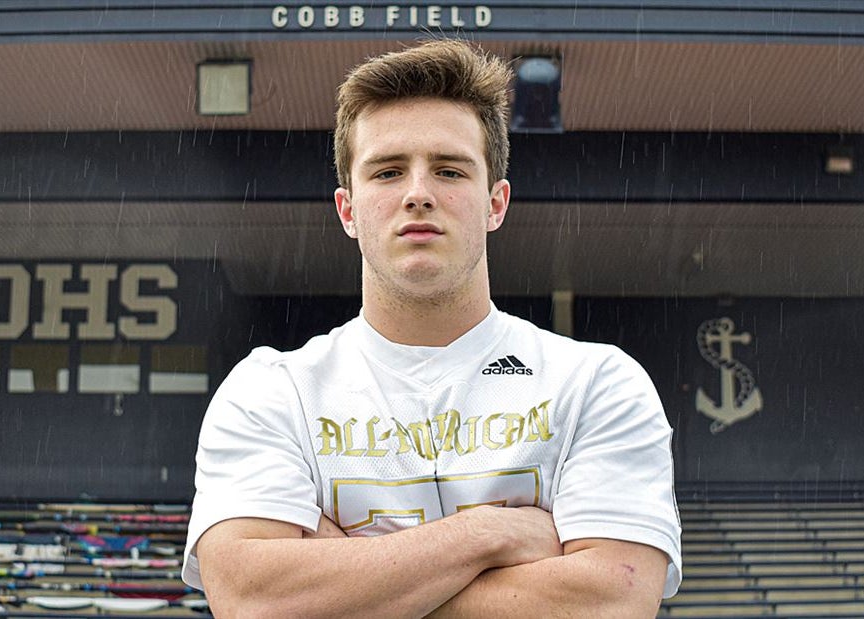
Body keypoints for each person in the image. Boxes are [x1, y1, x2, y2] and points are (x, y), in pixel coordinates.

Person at [183, 39, 681, 617]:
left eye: (449, 170)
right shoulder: (272, 389)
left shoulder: (596, 382)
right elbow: (252, 600)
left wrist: (349, 585)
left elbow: (612, 602)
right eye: (388, 172)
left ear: (495, 203)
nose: (418, 195)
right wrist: (488, 536)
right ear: (348, 210)